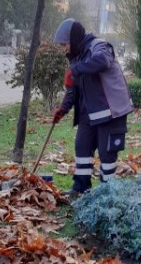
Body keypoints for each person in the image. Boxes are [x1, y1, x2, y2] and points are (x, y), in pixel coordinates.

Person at [52, 18, 134, 196]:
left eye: (64, 44)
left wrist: (76, 70)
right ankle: (80, 188)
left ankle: (107, 191)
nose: (63, 48)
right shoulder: (77, 58)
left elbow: (102, 62)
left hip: (111, 112)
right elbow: (73, 90)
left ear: (73, 39)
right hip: (89, 113)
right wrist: (62, 109)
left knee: (107, 155)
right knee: (82, 147)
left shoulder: (99, 46)